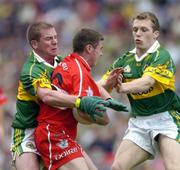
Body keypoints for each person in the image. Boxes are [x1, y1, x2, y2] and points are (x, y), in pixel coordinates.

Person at [10, 22, 120, 170]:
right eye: (48, 38)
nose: (55, 41)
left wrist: (107, 85)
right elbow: (48, 96)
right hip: (28, 132)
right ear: (35, 44)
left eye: (55, 37)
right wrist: (80, 102)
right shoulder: (31, 69)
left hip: (54, 132)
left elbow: (86, 88)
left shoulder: (62, 62)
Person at [101, 12, 180, 170]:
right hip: (140, 123)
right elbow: (103, 84)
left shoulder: (162, 56)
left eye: (144, 30)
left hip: (166, 120)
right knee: (117, 167)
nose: (138, 33)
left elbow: (147, 82)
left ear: (156, 34)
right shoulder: (125, 60)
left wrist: (123, 87)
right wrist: (76, 90)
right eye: (135, 29)